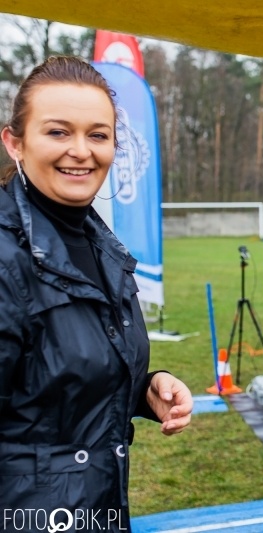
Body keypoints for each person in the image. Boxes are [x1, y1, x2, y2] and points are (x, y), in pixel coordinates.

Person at [0, 56, 193, 532]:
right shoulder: (7, 257)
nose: (81, 151)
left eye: (98, 135)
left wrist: (145, 389)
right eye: (58, 132)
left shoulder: (101, 245)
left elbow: (56, 384)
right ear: (15, 142)